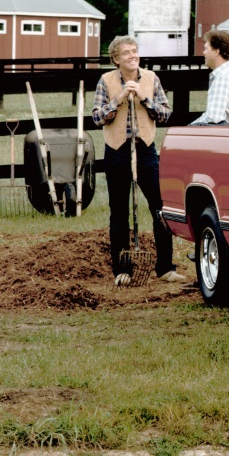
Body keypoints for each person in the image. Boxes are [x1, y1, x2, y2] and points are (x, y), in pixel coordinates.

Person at [92, 35, 186, 286]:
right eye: (126, 53)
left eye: (135, 51)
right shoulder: (106, 81)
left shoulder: (152, 79)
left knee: (159, 207)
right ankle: (122, 270)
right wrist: (121, 97)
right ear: (115, 59)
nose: (133, 56)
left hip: (145, 151)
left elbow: (165, 114)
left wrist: (144, 98)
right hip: (116, 152)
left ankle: (165, 267)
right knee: (119, 213)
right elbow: (97, 118)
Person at [189, 29, 229, 126]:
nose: (203, 52)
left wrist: (187, 128)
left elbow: (213, 117)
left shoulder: (223, 76)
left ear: (217, 51)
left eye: (206, 48)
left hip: (226, 136)